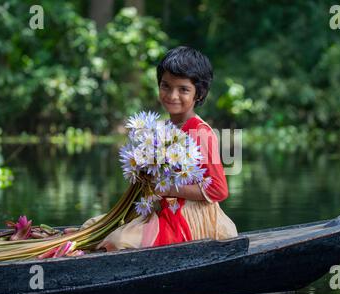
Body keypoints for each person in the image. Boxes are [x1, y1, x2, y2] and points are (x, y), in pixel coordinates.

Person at [81, 46, 238, 251]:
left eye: (183, 89)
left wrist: (165, 187)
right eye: (166, 86)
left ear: (199, 94)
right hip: (162, 210)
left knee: (120, 242)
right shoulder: (162, 129)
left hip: (191, 218)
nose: (172, 96)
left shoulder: (201, 133)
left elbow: (218, 189)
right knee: (93, 227)